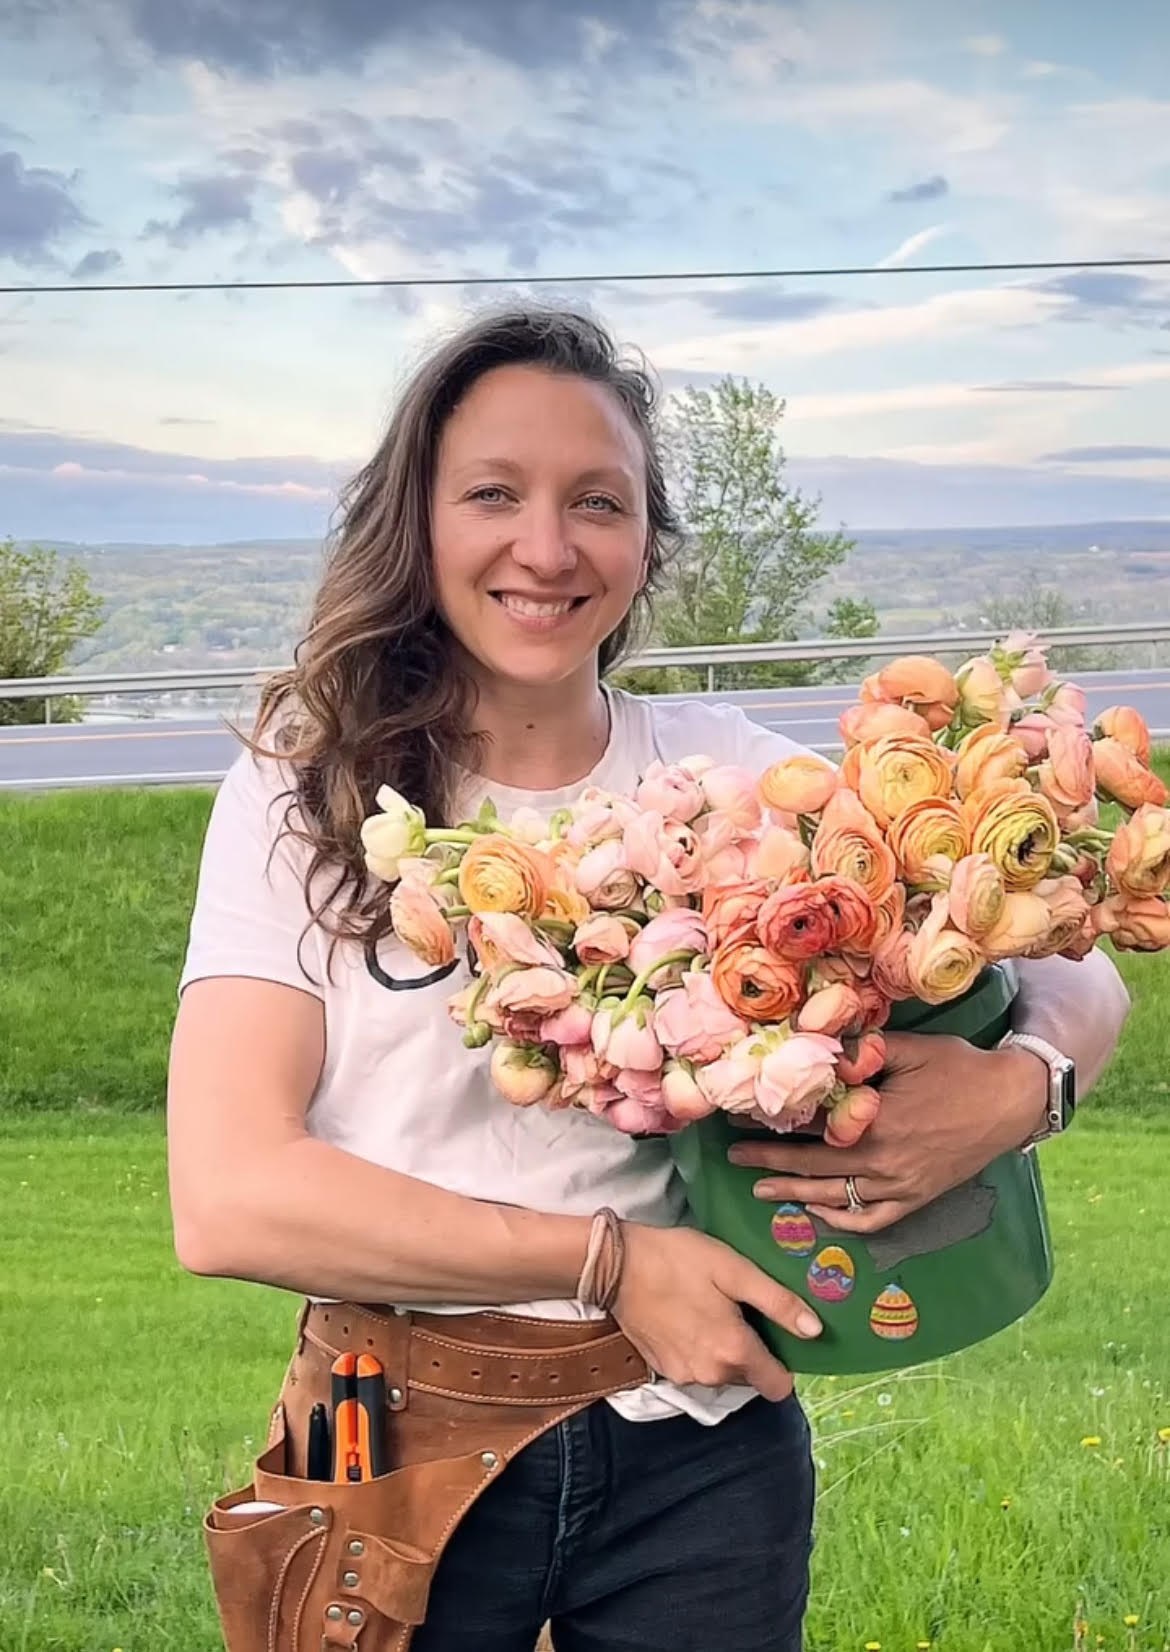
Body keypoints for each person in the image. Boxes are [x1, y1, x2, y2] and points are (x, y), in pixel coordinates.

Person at [167, 307, 1130, 1652]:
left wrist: (1023, 1086)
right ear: (414, 521)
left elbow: (1068, 946)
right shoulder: (304, 794)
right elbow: (231, 1199)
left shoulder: (730, 774)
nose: (546, 548)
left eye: (597, 502)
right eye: (493, 493)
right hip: (391, 1434)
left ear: (646, 544)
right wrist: (609, 1263)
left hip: (706, 1455)